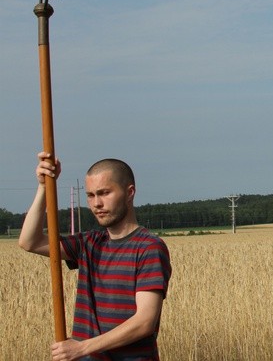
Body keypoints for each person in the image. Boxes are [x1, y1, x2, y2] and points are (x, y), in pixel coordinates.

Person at [19, 152, 172, 361]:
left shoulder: (148, 247)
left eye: (104, 193)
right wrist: (45, 187)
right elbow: (30, 241)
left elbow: (144, 322)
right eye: (91, 195)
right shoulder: (89, 243)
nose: (96, 203)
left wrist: (82, 349)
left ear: (130, 193)